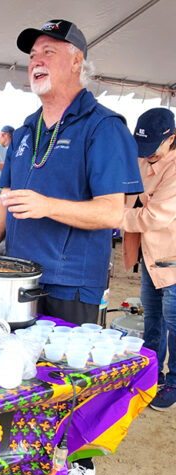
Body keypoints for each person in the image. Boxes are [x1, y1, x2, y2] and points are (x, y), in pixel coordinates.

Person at [0, 19, 143, 475]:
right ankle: (25, 464)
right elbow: (6, 202)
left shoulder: (104, 127)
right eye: (33, 52)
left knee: (74, 386)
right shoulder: (26, 129)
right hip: (17, 280)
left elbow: (113, 212)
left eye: (49, 51)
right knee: (19, 379)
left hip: (73, 281)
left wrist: (47, 204)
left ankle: (81, 471)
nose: (36, 60)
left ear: (77, 60)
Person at [122, 108, 176, 409]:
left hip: (173, 258)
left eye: (152, 147)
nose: (147, 156)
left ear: (172, 138)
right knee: (153, 321)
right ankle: (149, 375)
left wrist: (111, 216)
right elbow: (128, 193)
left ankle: (174, 382)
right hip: (151, 256)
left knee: (175, 324)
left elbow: (155, 217)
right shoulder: (143, 158)